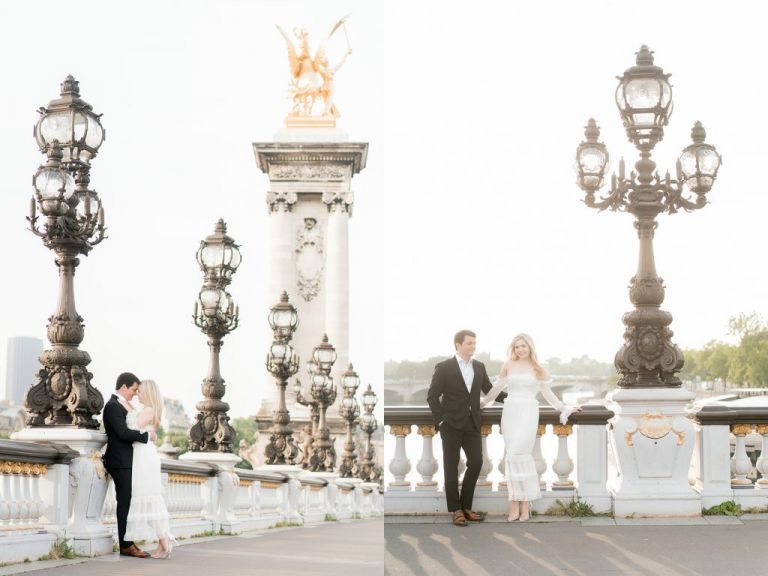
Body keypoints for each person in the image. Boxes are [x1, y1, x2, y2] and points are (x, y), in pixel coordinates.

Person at [481, 333, 581, 522]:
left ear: (530, 348)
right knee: (511, 457)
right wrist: (483, 403)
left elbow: (548, 393)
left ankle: (525, 503)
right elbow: (496, 389)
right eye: (517, 346)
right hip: (510, 412)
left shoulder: (538, 369)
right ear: (513, 348)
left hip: (528, 412)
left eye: (523, 346)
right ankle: (514, 502)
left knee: (522, 455)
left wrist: (564, 408)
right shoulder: (508, 365)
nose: (520, 349)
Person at [427, 330, 506, 527]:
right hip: (451, 425)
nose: (473, 346)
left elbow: (490, 391)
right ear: (458, 344)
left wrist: (515, 397)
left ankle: (466, 506)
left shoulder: (479, 367)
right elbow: (432, 396)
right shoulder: (444, 367)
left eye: (474, 343)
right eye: (469, 343)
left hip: (472, 423)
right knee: (451, 467)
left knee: (477, 462)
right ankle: (456, 510)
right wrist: (441, 422)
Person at [102, 372, 154, 558]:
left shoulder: (124, 405)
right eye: (133, 389)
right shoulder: (112, 406)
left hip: (129, 461)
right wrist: (146, 436)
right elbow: (123, 433)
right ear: (124, 387)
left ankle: (129, 542)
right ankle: (125, 545)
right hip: (119, 462)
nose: (134, 393)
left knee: (129, 502)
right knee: (124, 503)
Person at [124, 379, 175, 559]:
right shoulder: (146, 410)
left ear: (148, 393)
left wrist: (129, 410)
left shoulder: (148, 410)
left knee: (147, 499)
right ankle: (163, 543)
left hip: (143, 457)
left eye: (140, 391)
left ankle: (164, 541)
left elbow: (135, 429)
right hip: (143, 455)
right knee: (148, 500)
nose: (137, 393)